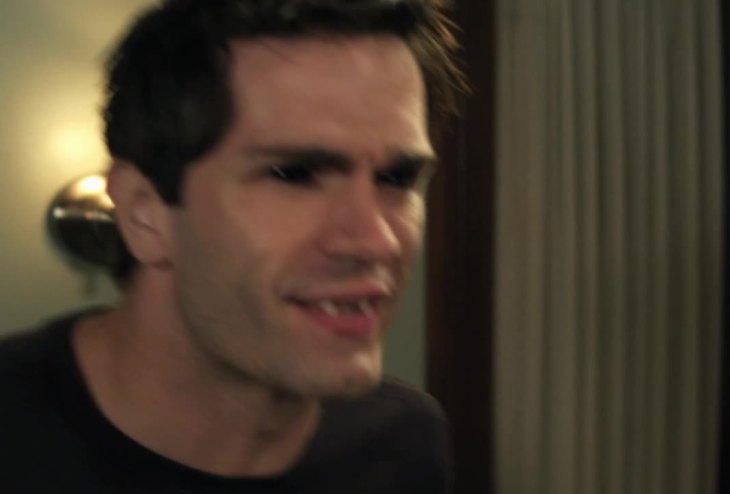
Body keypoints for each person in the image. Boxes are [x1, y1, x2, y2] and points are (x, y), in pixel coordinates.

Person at [0, 0, 466, 491]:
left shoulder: (402, 444)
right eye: (293, 175)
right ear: (144, 212)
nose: (376, 241)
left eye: (397, 178)